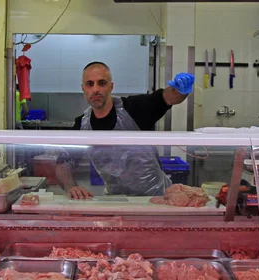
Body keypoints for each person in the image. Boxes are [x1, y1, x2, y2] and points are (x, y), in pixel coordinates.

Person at [56, 61, 194, 199]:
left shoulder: (135, 108)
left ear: (111, 87)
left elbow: (168, 97)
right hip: (117, 200)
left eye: (102, 83)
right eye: (90, 84)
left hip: (155, 198)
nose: (95, 89)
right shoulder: (82, 125)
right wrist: (70, 186)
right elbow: (62, 163)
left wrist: (180, 89)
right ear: (83, 89)